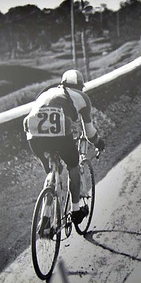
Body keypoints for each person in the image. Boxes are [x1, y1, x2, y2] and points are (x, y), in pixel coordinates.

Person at [23, 69, 105, 228]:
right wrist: (99, 143)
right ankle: (75, 211)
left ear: (62, 83)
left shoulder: (46, 93)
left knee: (52, 171)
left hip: (33, 133)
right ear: (80, 86)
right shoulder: (82, 97)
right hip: (59, 130)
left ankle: (45, 217)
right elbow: (89, 133)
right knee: (73, 166)